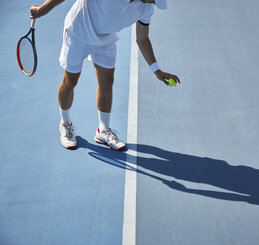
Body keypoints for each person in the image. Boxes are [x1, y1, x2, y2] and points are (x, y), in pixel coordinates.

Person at [30, 0, 180, 150]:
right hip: (79, 30)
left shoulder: (147, 9)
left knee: (107, 81)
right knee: (71, 80)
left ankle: (103, 130)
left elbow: (142, 38)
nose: (153, 3)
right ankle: (65, 124)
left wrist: (157, 71)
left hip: (105, 38)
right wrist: (42, 10)